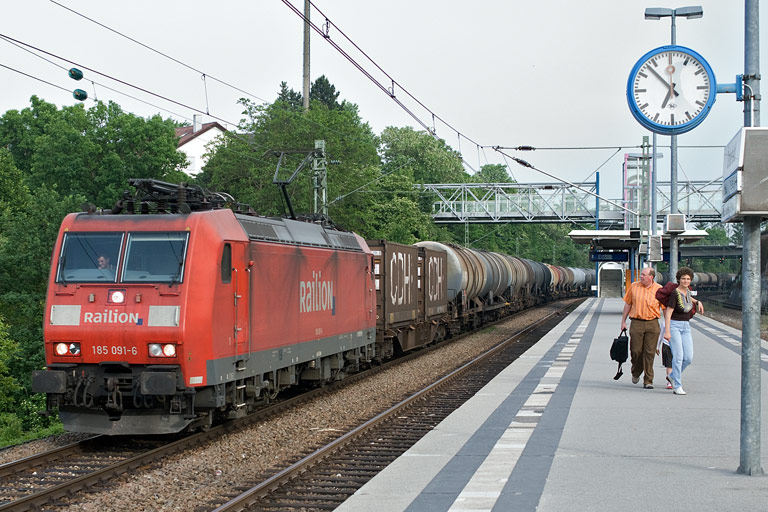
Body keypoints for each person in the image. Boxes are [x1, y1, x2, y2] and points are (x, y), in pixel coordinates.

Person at [663, 267, 704, 395]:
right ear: (679, 280)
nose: (686, 281)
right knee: (678, 357)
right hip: (674, 326)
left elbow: (688, 298)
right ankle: (677, 385)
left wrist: (698, 302)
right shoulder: (675, 294)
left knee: (688, 357)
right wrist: (667, 331)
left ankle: (672, 376)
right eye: (683, 279)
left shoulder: (688, 292)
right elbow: (668, 313)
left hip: (686, 326)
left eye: (688, 279)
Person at [620, 267, 662, 389]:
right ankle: (636, 371)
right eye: (641, 274)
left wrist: (668, 327)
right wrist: (623, 321)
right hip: (636, 322)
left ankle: (648, 380)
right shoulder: (634, 286)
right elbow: (628, 304)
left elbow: (665, 308)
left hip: (653, 323)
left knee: (649, 352)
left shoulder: (659, 289)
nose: (641, 276)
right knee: (636, 351)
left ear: (651, 277)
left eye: (643, 275)